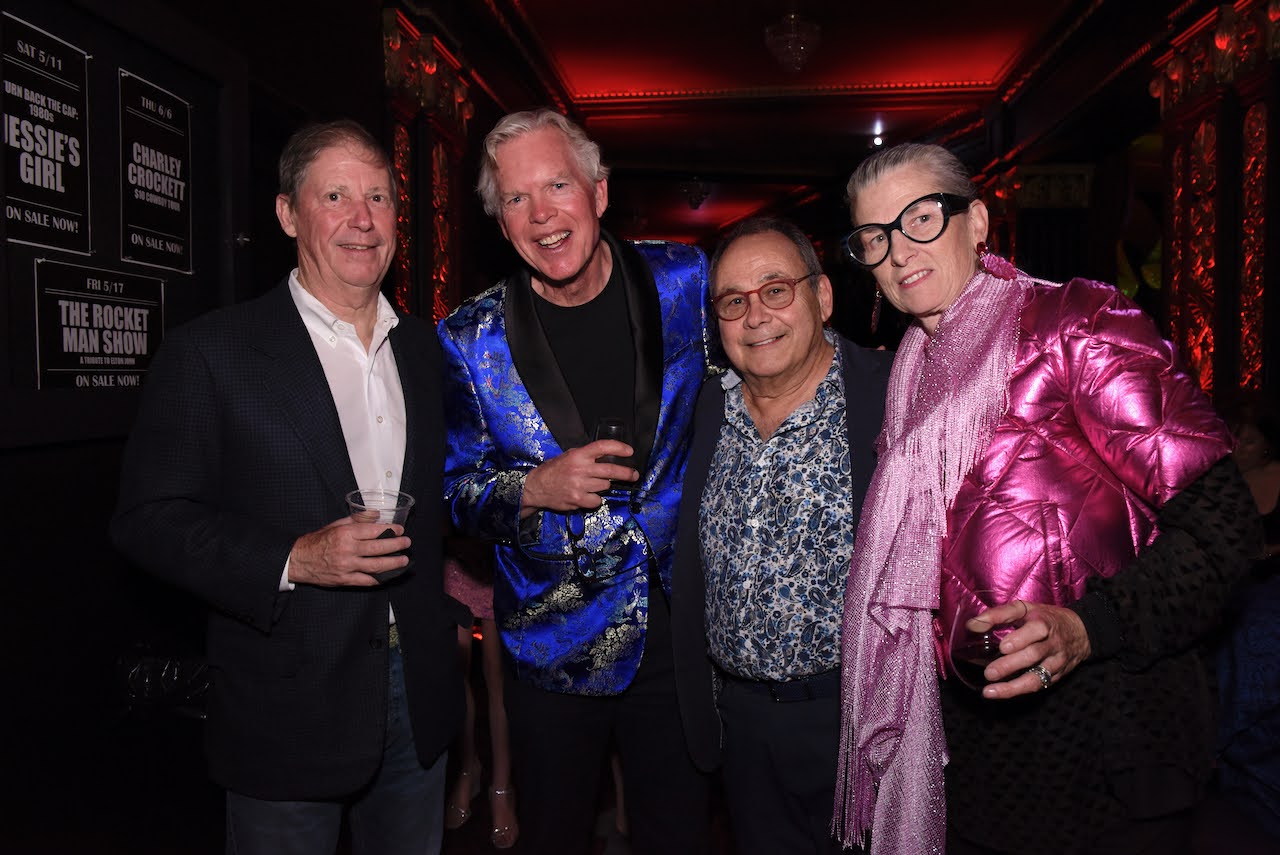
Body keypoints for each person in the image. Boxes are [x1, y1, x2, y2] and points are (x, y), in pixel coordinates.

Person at [831, 141, 1261, 855]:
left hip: (1111, 738)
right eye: (876, 237)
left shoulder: (1075, 325)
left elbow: (1226, 529)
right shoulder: (907, 380)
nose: (899, 249)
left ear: (977, 223)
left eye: (921, 218)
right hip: (973, 757)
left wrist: (1089, 626)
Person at [111, 119, 461, 855]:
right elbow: (147, 518)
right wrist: (293, 558)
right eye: (335, 195)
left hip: (418, 696)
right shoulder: (213, 352)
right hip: (286, 704)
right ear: (287, 213)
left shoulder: (427, 351)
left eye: (377, 196)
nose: (362, 219)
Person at [438, 108, 711, 855]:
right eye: (517, 199)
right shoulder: (468, 337)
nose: (542, 214)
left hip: (679, 629)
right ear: (501, 222)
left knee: (679, 834)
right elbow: (452, 489)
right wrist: (531, 488)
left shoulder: (687, 279)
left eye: (557, 184)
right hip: (554, 643)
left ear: (598, 190)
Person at [670, 218, 891, 854]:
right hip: (741, 725)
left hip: (861, 722)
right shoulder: (707, 408)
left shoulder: (890, 395)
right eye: (733, 301)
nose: (755, 316)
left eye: (775, 290)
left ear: (822, 297)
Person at [1216, 393, 1280, 841]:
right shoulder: (1222, 483)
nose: (1238, 444)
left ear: (1268, 446)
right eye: (1234, 435)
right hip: (1235, 589)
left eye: (1249, 438)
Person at [441, 537, 518, 849]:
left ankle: (502, 786)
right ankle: (467, 768)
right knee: (455, 673)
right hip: (457, 556)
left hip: (502, 557)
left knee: (496, 678)